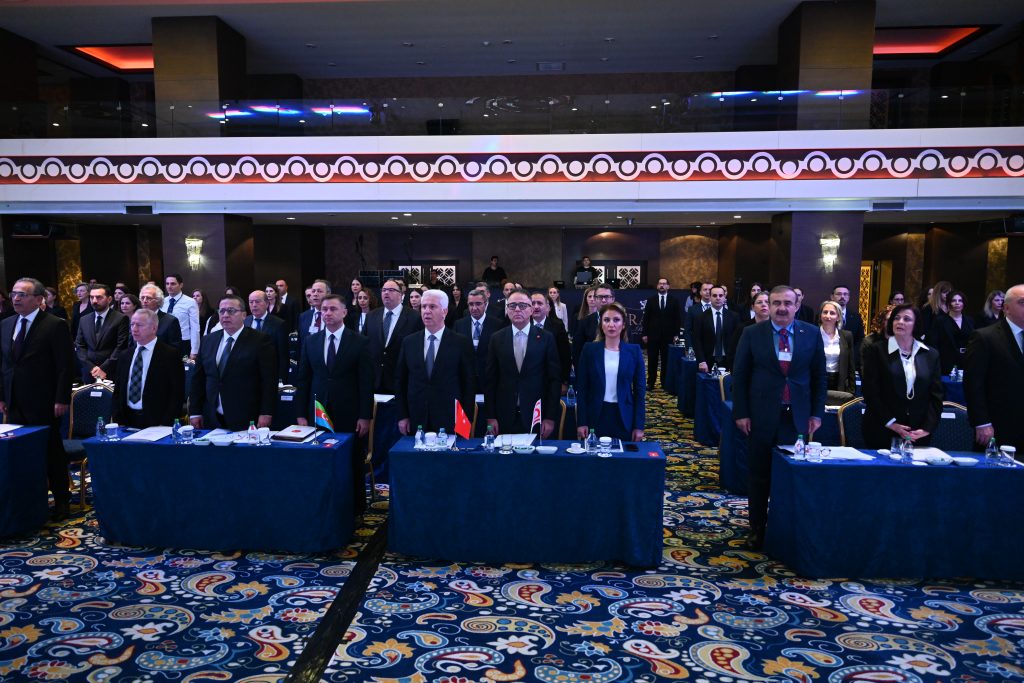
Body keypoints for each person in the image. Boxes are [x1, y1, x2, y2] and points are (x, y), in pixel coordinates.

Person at [732, 285, 826, 550]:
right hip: (760, 416)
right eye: (776, 303)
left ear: (797, 305)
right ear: (769, 306)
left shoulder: (811, 333)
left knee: (792, 475)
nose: (782, 308)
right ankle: (757, 528)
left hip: (797, 417)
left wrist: (816, 413)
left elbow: (819, 377)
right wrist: (741, 412)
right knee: (759, 476)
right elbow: (740, 376)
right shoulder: (752, 333)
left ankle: (787, 528)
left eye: (787, 303)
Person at [0, 278, 75, 520]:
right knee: (20, 453)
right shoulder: (6, 324)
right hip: (14, 400)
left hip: (45, 401)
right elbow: (4, 365)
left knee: (51, 452)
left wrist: (61, 398)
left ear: (39, 299)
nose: (16, 298)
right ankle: (29, 502)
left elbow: (65, 366)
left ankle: (62, 501)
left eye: (22, 294)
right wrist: (2, 396)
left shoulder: (54, 325)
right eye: (14, 294)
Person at [294, 294, 374, 514]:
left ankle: (356, 509)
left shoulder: (359, 342)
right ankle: (322, 507)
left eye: (332, 309)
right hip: (318, 411)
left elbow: (366, 382)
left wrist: (365, 415)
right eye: (324, 310)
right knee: (319, 459)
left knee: (351, 460)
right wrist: (300, 413)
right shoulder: (311, 341)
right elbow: (303, 379)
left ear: (344, 312)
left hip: (350, 412)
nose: (327, 313)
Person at [861, 304, 944, 450]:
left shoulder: (930, 354)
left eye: (907, 319)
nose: (900, 322)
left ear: (916, 324)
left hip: (918, 433)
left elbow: (936, 396)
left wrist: (927, 428)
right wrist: (891, 423)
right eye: (896, 318)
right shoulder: (876, 350)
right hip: (883, 428)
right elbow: (870, 392)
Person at [189, 295, 277, 431]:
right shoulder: (208, 340)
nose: (225, 315)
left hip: (246, 415)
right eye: (222, 311)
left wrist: (266, 412)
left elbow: (269, 380)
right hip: (212, 416)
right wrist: (195, 411)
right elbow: (198, 379)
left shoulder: (260, 341)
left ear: (244, 315)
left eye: (231, 311)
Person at [396, 289, 475, 435]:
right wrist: (402, 416)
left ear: (444, 311)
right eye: (424, 307)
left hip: (450, 419)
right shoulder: (409, 342)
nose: (426, 311)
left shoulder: (460, 343)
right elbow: (401, 381)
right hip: (416, 417)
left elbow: (468, 385)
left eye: (432, 307)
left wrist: (464, 422)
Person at [485, 289, 561, 438]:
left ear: (531, 309)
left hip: (537, 415)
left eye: (522, 305)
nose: (517, 309)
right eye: (512, 305)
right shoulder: (496, 338)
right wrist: (490, 416)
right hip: (504, 415)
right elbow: (490, 380)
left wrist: (550, 417)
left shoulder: (546, 338)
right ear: (507, 309)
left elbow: (554, 380)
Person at [965, 283, 1024, 454]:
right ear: (1006, 308)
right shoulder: (985, 337)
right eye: (1022, 302)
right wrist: (981, 422)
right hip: (998, 425)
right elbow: (973, 384)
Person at [576, 302, 646, 442]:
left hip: (624, 416)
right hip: (596, 415)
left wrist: (639, 425)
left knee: (623, 455)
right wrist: (581, 421)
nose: (611, 324)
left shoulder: (634, 352)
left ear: (623, 325)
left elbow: (640, 392)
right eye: (606, 320)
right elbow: (582, 388)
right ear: (601, 324)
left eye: (616, 320)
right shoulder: (589, 350)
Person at [112, 309, 185, 428]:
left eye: (139, 325)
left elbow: (177, 393)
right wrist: (118, 419)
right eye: (132, 324)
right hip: (126, 420)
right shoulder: (125, 355)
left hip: (157, 421)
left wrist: (166, 423)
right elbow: (118, 391)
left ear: (154, 328)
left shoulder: (170, 355)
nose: (134, 329)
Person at [364, 279, 423, 393]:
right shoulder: (371, 316)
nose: (386, 293)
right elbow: (365, 347)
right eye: (384, 290)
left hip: (401, 381)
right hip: (374, 382)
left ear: (401, 295)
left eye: (391, 290)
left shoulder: (414, 317)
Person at [75, 283, 129, 382]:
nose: (94, 301)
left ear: (109, 299)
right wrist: (91, 368)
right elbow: (80, 346)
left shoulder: (120, 318)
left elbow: (121, 346)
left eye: (99, 297)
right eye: (92, 297)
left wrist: (103, 368)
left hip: (111, 371)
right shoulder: (84, 319)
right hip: (89, 372)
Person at [455, 288, 502, 391]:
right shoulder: (459, 324)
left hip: (489, 378)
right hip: (466, 378)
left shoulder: (497, 324)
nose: (474, 308)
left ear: (485, 304)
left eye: (478, 304)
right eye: (471, 304)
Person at [642, 277, 682, 387]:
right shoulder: (651, 300)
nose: (662, 285)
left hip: (668, 336)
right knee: (652, 359)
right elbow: (646, 318)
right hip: (653, 335)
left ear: (668, 286)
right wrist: (645, 334)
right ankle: (651, 382)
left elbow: (677, 319)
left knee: (666, 360)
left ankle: (665, 383)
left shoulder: (674, 300)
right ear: (657, 286)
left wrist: (676, 335)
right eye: (660, 283)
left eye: (664, 284)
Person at [246, 290, 290, 384]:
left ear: (267, 303)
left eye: (257, 301)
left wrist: (281, 379)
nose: (254, 305)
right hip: (248, 375)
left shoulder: (279, 324)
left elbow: (283, 355)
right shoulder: (245, 322)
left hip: (270, 375)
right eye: (251, 302)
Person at [692, 285, 739, 372]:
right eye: (714, 295)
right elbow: (697, 340)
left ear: (724, 297)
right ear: (710, 297)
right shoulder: (701, 317)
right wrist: (701, 360)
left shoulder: (734, 316)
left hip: (729, 360)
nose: (718, 298)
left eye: (720, 295)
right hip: (707, 361)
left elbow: (737, 340)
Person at [530, 291, 571, 387]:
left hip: (552, 380)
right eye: (533, 303)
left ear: (548, 307)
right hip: (529, 380)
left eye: (540, 303)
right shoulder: (523, 325)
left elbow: (565, 355)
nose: (536, 307)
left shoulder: (558, 325)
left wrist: (564, 381)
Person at [928, 289, 974, 373]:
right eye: (953, 300)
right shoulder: (940, 321)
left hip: (966, 362)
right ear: (948, 303)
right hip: (946, 363)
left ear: (963, 303)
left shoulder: (970, 321)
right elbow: (934, 343)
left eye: (960, 300)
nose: (957, 303)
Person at [818, 300, 857, 402]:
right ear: (820, 315)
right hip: (818, 380)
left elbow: (851, 365)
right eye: (825, 312)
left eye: (832, 313)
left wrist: (852, 391)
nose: (828, 316)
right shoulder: (813, 334)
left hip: (839, 381)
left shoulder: (847, 336)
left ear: (838, 317)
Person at [572, 285, 614, 367]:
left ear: (613, 299)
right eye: (600, 297)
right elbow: (577, 352)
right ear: (595, 299)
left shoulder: (622, 321)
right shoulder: (584, 322)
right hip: (591, 368)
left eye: (607, 297)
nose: (603, 300)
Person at [727, 291, 769, 369]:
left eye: (767, 302)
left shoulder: (777, 328)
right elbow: (733, 355)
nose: (764, 305)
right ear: (753, 307)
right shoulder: (743, 328)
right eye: (759, 302)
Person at [162, 274, 200, 360]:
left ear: (181, 285)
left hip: (183, 343)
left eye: (173, 284)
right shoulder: (163, 301)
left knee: (185, 366)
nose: (169, 286)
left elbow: (195, 327)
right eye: (167, 283)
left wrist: (194, 350)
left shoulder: (190, 302)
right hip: (165, 342)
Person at [139, 284, 183, 350]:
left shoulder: (170, 321)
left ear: (158, 301)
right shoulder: (136, 319)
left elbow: (175, 348)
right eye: (142, 298)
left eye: (149, 298)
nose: (144, 301)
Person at [831, 285, 865, 367]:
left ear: (848, 297)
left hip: (850, 360)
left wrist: (852, 356)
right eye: (839, 294)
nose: (842, 297)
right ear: (832, 297)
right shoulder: (825, 316)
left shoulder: (856, 317)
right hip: (829, 358)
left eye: (845, 294)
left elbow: (860, 340)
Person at [297, 279, 331, 354]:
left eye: (319, 291)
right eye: (313, 291)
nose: (315, 294)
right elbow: (300, 343)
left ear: (328, 294)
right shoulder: (303, 316)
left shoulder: (335, 315)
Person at [684, 281, 714, 346]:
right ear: (700, 292)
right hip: (696, 346)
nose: (707, 292)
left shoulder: (718, 308)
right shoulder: (692, 310)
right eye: (705, 289)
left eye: (710, 290)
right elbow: (687, 331)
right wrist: (689, 347)